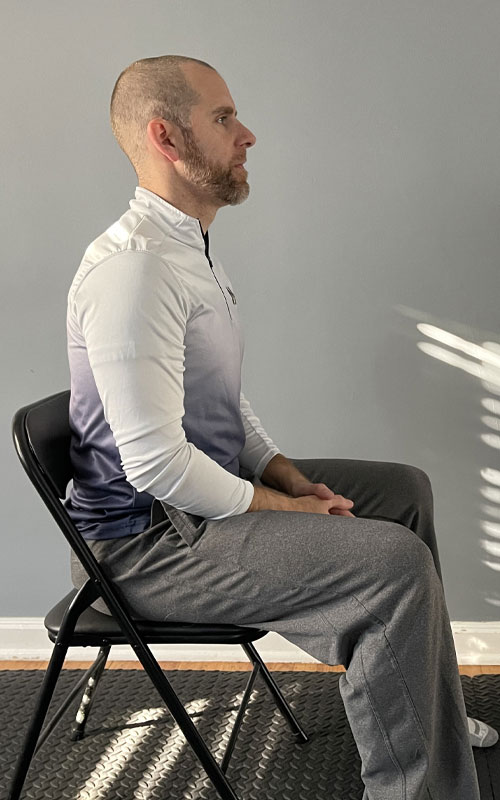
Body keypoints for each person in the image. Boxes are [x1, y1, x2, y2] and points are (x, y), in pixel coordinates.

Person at [66, 54, 494, 799]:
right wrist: (287, 509)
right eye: (225, 118)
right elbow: (156, 468)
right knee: (389, 565)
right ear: (166, 138)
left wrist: (285, 473)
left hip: (196, 510)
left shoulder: (188, 251)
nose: (248, 134)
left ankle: (434, 715)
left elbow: (225, 402)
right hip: (143, 547)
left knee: (402, 491)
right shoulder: (134, 270)